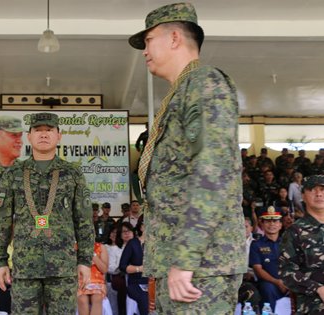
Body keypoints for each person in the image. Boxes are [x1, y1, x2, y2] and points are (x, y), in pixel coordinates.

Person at [130, 3, 246, 313]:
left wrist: (186, 258)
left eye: (148, 40)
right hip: (183, 262)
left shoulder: (204, 83)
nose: (144, 51)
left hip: (200, 264)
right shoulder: (182, 92)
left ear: (174, 37)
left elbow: (214, 171)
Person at [0, 112, 94, 314]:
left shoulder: (72, 173)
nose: (44, 135)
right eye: (38, 130)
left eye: (49, 130)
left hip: (63, 267)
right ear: (28, 136)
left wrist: (84, 261)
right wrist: (0, 261)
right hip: (25, 267)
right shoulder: (13, 173)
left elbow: (83, 220)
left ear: (59, 136)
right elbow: (2, 220)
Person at [279, 175, 324, 314]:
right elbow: (286, 272)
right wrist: (317, 288)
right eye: (312, 189)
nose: (319, 193)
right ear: (303, 196)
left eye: (323, 189)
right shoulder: (294, 231)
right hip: (315, 302)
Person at [249, 206, 287, 312]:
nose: (272, 224)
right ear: (261, 224)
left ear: (280, 224)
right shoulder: (256, 245)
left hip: (289, 283)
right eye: (267, 221)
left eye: (275, 221)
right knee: (267, 288)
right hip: (270, 283)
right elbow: (258, 270)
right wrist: (277, 282)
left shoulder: (288, 243)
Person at [119, 222, 149, 315]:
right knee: (145, 299)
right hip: (137, 283)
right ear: (141, 227)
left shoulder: (159, 244)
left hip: (155, 283)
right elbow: (122, 266)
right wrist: (140, 268)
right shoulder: (133, 243)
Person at [78, 242, 108, 315]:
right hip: (80, 280)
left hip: (97, 281)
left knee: (97, 298)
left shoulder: (101, 247)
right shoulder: (73, 246)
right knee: (82, 299)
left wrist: (93, 255)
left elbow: (104, 269)